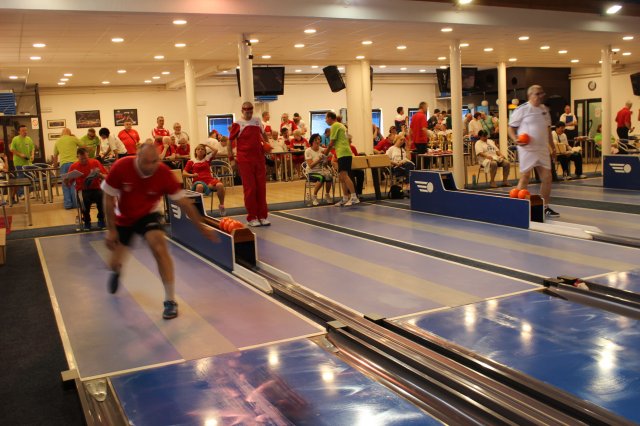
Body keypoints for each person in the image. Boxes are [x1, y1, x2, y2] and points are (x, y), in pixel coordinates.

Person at [101, 143, 217, 319]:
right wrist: (111, 230)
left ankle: (170, 300)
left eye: (154, 161)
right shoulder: (121, 166)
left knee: (159, 247)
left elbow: (184, 203)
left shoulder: (163, 173)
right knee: (113, 262)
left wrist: (201, 227)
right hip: (124, 217)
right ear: (137, 157)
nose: (151, 166)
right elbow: (108, 198)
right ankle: (116, 270)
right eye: (146, 162)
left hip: (148, 214)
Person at [508, 85, 559, 217]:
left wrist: (553, 148)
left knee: (547, 177)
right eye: (537, 93)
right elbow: (511, 128)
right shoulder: (522, 109)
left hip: (542, 149)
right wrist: (515, 139)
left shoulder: (544, 110)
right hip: (527, 149)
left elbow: (548, 130)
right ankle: (516, 208)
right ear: (530, 95)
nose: (541, 95)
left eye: (542, 93)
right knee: (525, 177)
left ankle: (544, 207)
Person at [230, 102, 270, 226]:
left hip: (259, 159)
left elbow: (264, 134)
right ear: (242, 111)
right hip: (245, 160)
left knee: (261, 188)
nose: (248, 113)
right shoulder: (237, 124)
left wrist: (268, 145)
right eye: (246, 111)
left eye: (250, 111)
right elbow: (230, 142)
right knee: (250, 189)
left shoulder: (257, 120)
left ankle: (262, 216)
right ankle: (252, 217)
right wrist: (231, 158)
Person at [65, 147, 107, 231]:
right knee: (83, 200)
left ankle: (101, 219)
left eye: (85, 158)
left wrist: (100, 175)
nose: (84, 160)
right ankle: (87, 221)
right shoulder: (74, 166)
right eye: (82, 159)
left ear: (88, 155)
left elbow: (106, 177)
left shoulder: (95, 162)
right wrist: (66, 181)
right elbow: (68, 184)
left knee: (102, 198)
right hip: (82, 190)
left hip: (96, 188)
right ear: (78, 157)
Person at [323, 111, 359, 206]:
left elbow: (331, 143)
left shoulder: (334, 126)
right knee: (341, 177)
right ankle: (345, 198)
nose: (325, 120)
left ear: (330, 118)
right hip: (343, 153)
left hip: (343, 153)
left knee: (344, 175)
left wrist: (325, 154)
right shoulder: (341, 125)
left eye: (326, 118)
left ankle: (354, 197)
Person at [182, 144, 226, 216]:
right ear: (195, 151)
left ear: (205, 152)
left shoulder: (207, 159)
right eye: (198, 149)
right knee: (199, 186)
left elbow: (216, 150)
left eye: (202, 149)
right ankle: (198, 210)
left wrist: (206, 145)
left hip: (209, 181)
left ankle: (222, 206)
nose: (200, 150)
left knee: (220, 185)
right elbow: (184, 173)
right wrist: (192, 175)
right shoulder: (191, 161)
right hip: (198, 181)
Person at [53, 128, 83, 209]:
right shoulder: (73, 138)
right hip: (74, 164)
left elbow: (55, 155)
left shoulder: (58, 141)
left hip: (63, 165)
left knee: (65, 184)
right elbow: (83, 146)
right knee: (74, 183)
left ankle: (67, 204)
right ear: (70, 133)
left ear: (62, 133)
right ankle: (76, 204)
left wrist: (55, 165)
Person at [304, 134, 333, 206]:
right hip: (311, 172)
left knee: (329, 176)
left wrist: (325, 161)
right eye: (316, 139)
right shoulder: (308, 151)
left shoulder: (322, 149)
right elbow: (311, 166)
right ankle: (314, 196)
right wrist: (319, 159)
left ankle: (327, 195)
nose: (318, 141)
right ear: (312, 141)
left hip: (321, 171)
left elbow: (327, 161)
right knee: (321, 177)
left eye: (319, 139)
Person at [9, 124, 34, 198]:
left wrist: (32, 155)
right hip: (18, 162)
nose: (25, 132)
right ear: (19, 132)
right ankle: (21, 194)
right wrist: (20, 154)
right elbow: (12, 149)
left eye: (26, 130)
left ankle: (29, 193)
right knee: (21, 178)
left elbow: (32, 148)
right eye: (23, 130)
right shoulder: (15, 139)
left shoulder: (29, 139)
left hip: (28, 162)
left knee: (29, 177)